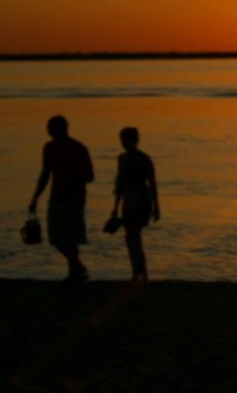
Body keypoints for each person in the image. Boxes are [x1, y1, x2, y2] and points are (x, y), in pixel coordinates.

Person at [28, 115, 95, 283]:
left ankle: (74, 272)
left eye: (50, 128)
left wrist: (71, 175)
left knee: (72, 238)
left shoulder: (78, 148)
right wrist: (35, 198)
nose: (49, 132)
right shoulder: (49, 148)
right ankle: (76, 266)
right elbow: (45, 174)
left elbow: (90, 176)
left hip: (75, 198)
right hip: (56, 197)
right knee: (56, 238)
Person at [110, 127, 160, 282]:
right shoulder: (121, 158)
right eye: (122, 140)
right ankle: (135, 273)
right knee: (129, 239)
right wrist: (115, 207)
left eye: (126, 140)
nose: (124, 143)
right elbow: (119, 183)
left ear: (135, 140)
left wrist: (157, 207)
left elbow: (152, 184)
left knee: (134, 238)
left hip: (141, 203)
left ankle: (142, 275)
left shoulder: (144, 159)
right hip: (127, 204)